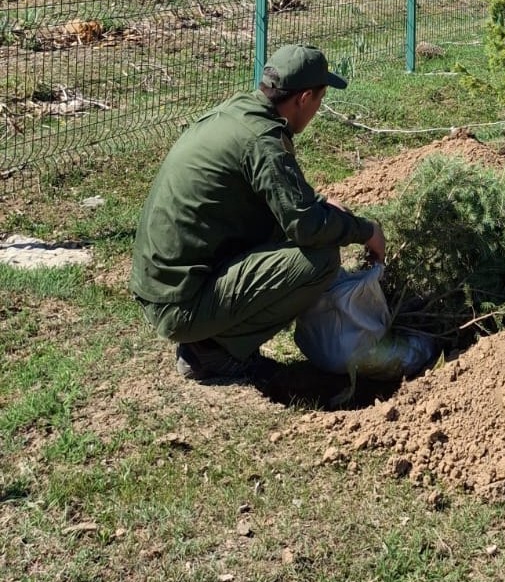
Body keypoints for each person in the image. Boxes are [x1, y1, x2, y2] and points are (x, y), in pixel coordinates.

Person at [130, 44, 386, 382]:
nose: (317, 109)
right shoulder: (263, 140)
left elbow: (285, 200)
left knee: (290, 230)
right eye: (320, 101)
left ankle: (211, 339)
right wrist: (365, 231)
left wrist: (322, 205)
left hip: (161, 286)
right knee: (320, 260)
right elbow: (306, 228)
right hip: (179, 306)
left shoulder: (240, 112)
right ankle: (211, 354)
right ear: (305, 98)